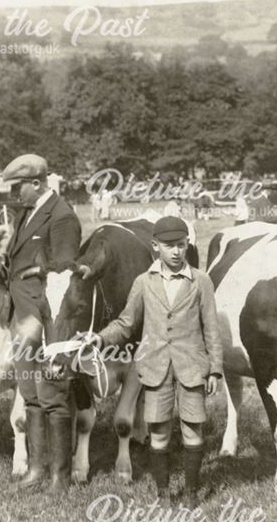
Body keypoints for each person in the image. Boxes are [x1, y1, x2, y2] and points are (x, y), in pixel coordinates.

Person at [87, 216, 222, 505]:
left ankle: (191, 491)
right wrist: (100, 339)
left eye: (181, 245)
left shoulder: (201, 281)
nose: (176, 252)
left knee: (192, 428)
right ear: (155, 246)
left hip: (192, 368)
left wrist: (216, 370)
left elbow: (211, 328)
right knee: (158, 430)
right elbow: (126, 323)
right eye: (169, 246)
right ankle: (163, 493)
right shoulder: (143, 282)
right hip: (155, 368)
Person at [2, 153, 81, 493]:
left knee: (53, 395)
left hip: (47, 321)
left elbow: (64, 274)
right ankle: (37, 469)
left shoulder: (62, 216)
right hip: (22, 318)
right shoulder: (26, 211)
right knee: (31, 394)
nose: (14, 193)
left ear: (37, 183)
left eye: (19, 186)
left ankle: (59, 477)